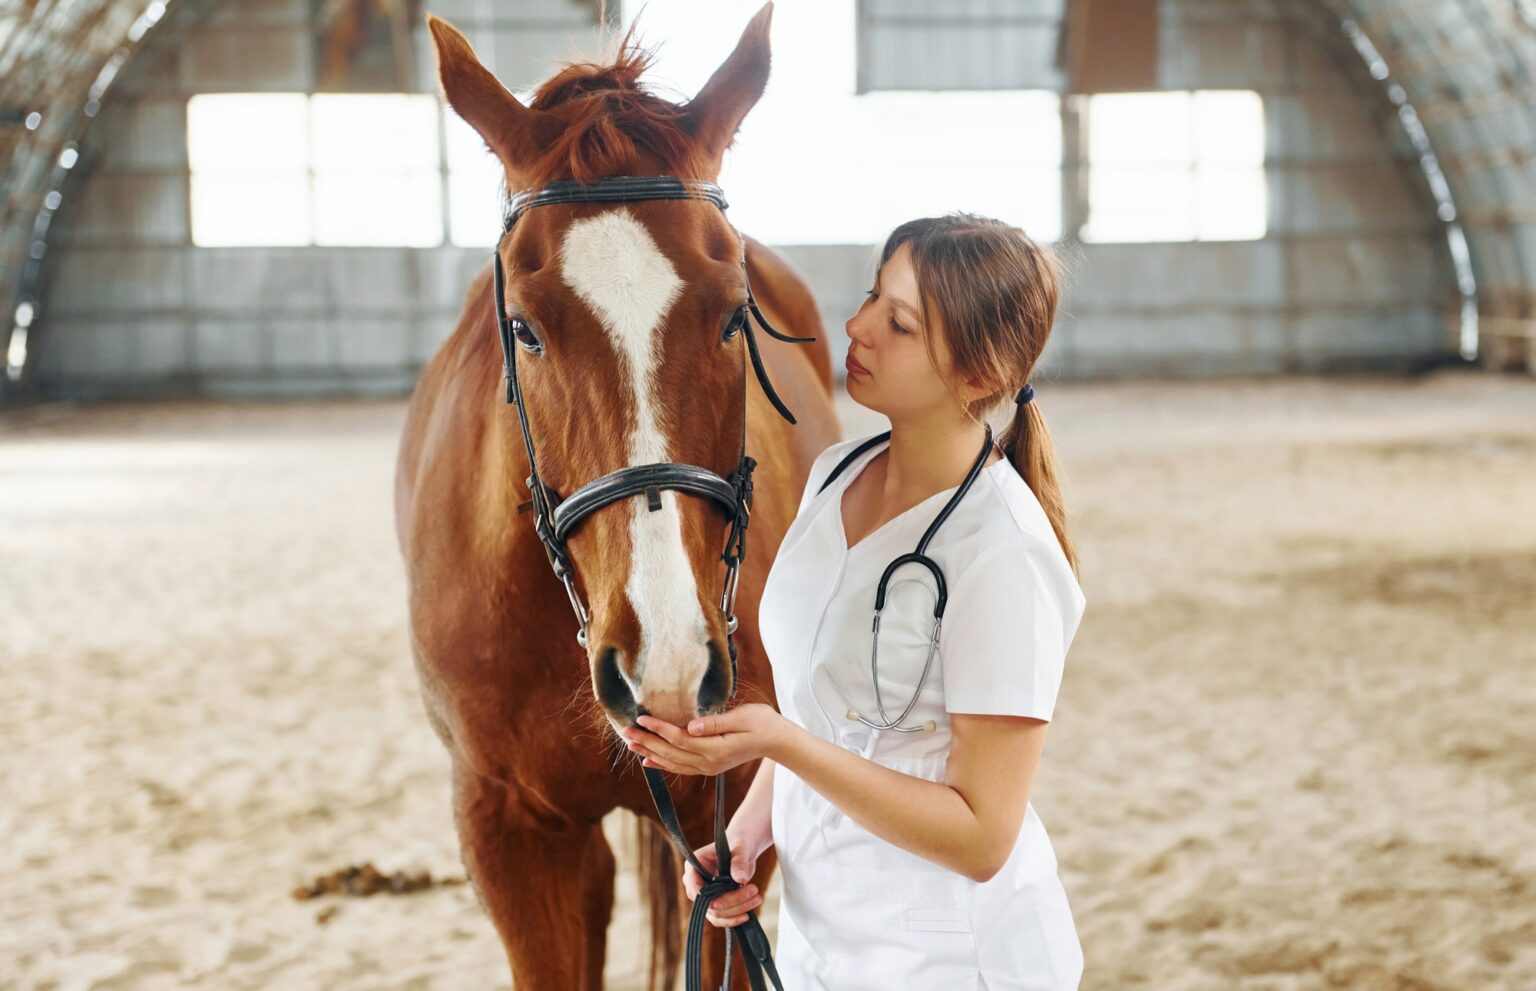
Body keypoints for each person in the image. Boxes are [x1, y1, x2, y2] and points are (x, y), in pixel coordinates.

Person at [618, 213, 1086, 990]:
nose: (857, 325)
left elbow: (981, 836)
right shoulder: (835, 473)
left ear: (977, 375)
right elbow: (823, 707)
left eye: (898, 323)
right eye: (873, 294)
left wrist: (777, 742)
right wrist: (744, 836)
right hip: (822, 948)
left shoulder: (1005, 554)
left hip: (951, 962)